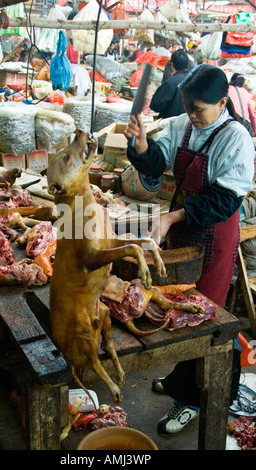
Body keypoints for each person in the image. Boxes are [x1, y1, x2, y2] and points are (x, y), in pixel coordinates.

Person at [124, 64, 254, 434]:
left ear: (223, 102)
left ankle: (194, 402)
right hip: (181, 233)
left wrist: (172, 217)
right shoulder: (183, 124)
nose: (192, 114)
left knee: (203, 319)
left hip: (214, 235)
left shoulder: (236, 138)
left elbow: (224, 200)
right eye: (188, 105)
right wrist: (143, 145)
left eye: (199, 108)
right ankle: (183, 382)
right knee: (176, 310)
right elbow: (156, 163)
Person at [150, 50, 191, 118]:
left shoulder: (170, 83)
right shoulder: (195, 80)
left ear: (172, 65)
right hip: (191, 124)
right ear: (187, 65)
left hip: (170, 123)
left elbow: (155, 106)